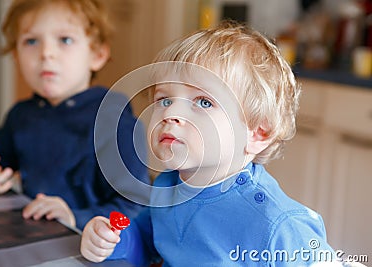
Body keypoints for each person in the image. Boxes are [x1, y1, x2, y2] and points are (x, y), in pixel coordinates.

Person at [80, 22, 339, 266]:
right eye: (165, 100)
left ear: (256, 134)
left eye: (203, 102)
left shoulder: (278, 225)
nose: (171, 114)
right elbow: (147, 240)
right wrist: (111, 240)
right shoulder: (168, 186)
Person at [0, 0, 150, 231]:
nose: (46, 53)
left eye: (65, 40)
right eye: (31, 41)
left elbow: (137, 206)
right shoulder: (22, 115)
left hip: (93, 250)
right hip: (34, 238)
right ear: (16, 56)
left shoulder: (114, 121)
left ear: (97, 54)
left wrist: (75, 217)